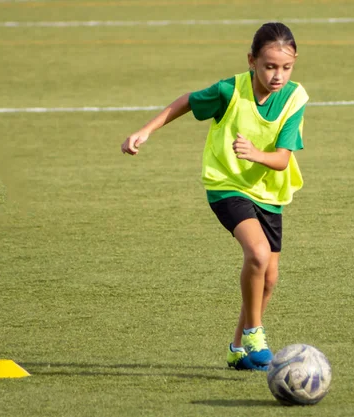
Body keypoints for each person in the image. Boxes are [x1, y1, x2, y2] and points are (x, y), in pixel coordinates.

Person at [121, 22, 308, 371]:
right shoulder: (229, 91)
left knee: (268, 278)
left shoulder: (295, 97)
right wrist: (145, 131)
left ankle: (237, 349)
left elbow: (282, 159)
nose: (278, 75)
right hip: (226, 185)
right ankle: (254, 332)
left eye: (286, 67)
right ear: (252, 61)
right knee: (257, 253)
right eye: (269, 66)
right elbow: (187, 102)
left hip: (269, 192)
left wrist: (254, 154)